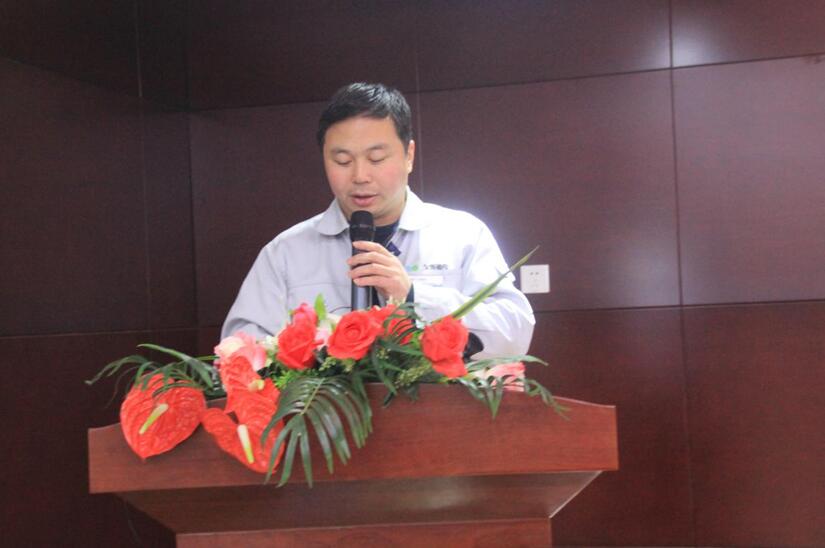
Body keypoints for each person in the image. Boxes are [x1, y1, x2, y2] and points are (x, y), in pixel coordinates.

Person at [222, 83, 534, 358]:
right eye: (342, 160)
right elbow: (240, 353)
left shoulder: (462, 235)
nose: (360, 176)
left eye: (376, 159)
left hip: (436, 408)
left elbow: (514, 335)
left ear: (409, 155)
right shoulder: (286, 253)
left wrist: (413, 297)